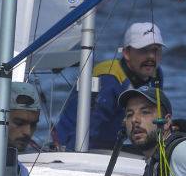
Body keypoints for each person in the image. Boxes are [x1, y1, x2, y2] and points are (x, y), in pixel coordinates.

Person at [53, 21, 166, 151]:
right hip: (74, 143)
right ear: (126, 53)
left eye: (156, 50)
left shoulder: (156, 74)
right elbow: (90, 129)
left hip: (112, 144)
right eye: (143, 51)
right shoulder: (108, 79)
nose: (151, 56)